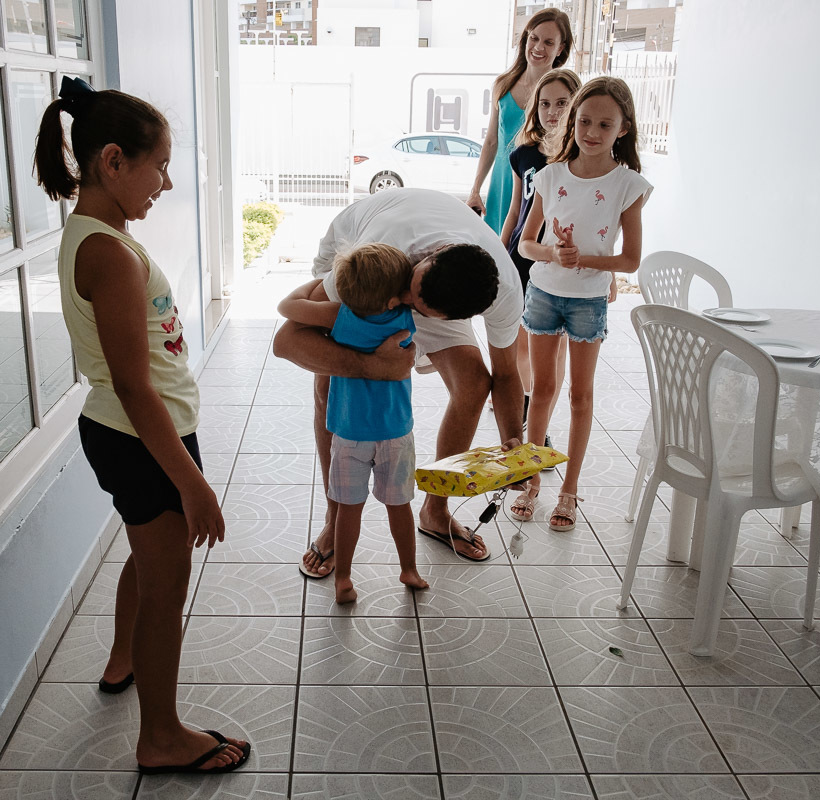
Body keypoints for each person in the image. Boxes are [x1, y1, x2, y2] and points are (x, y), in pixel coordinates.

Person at [34, 76, 250, 775]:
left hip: (127, 431)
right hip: (139, 434)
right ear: (113, 162)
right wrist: (193, 484)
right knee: (166, 584)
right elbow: (133, 385)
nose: (165, 181)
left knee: (147, 551)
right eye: (158, 165)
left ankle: (123, 657)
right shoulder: (108, 253)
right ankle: (161, 737)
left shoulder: (99, 235)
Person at [271, 188, 525, 577]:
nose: (400, 302)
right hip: (374, 254)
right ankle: (334, 518)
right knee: (329, 388)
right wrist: (372, 365)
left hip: (432, 287)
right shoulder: (375, 263)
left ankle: (435, 511)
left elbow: (506, 375)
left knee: (473, 383)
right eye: (410, 292)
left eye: (416, 307)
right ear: (431, 257)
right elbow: (287, 341)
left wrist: (514, 445)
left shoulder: (502, 292)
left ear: (454, 317)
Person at [515, 77, 653, 530]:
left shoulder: (628, 185)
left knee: (580, 395)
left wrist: (584, 259)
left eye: (604, 124)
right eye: (584, 120)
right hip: (542, 295)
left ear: (623, 130)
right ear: (572, 121)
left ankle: (569, 492)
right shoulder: (550, 175)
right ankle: (532, 482)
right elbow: (527, 246)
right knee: (542, 391)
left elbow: (630, 260)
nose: (591, 131)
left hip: (588, 301)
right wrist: (555, 253)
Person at [277, 244, 430, 603]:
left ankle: (343, 579)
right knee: (400, 506)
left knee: (347, 511)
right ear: (395, 298)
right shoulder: (405, 317)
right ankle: (408, 568)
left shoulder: (340, 316)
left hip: (349, 434)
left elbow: (286, 307)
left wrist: (317, 282)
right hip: (395, 433)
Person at [499, 68, 582, 489]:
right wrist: (500, 252)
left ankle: (539, 423)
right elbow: (515, 212)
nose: (552, 111)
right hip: (522, 257)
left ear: (577, 105)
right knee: (517, 347)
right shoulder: (523, 155)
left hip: (561, 266)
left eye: (562, 103)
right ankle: (525, 419)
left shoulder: (581, 157)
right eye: (545, 103)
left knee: (551, 350)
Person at [466, 8, 573, 234]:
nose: (538, 47)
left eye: (548, 42)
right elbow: (492, 142)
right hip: (502, 182)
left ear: (560, 48)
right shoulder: (503, 84)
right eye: (533, 38)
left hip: (537, 183)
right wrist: (475, 189)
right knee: (496, 252)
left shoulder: (565, 91)